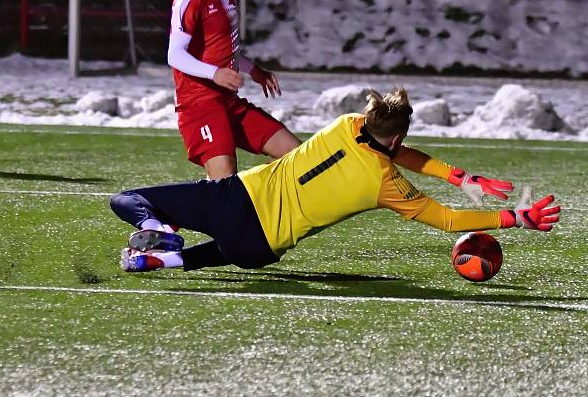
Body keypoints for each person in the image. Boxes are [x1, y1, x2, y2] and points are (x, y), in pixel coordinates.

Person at [109, 88, 561, 273]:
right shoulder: (387, 185)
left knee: (126, 199)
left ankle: (161, 232)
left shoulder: (345, 125)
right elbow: (447, 219)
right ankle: (165, 262)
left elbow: (389, 148)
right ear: (399, 133)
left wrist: (456, 174)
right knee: (232, 251)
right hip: (262, 248)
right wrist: (515, 217)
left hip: (237, 198)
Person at [168, 0, 301, 182]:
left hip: (228, 102)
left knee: (296, 154)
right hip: (200, 106)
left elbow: (221, 48)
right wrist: (215, 73)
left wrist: (254, 71)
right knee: (225, 185)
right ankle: (168, 218)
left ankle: (257, 204)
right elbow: (175, 54)